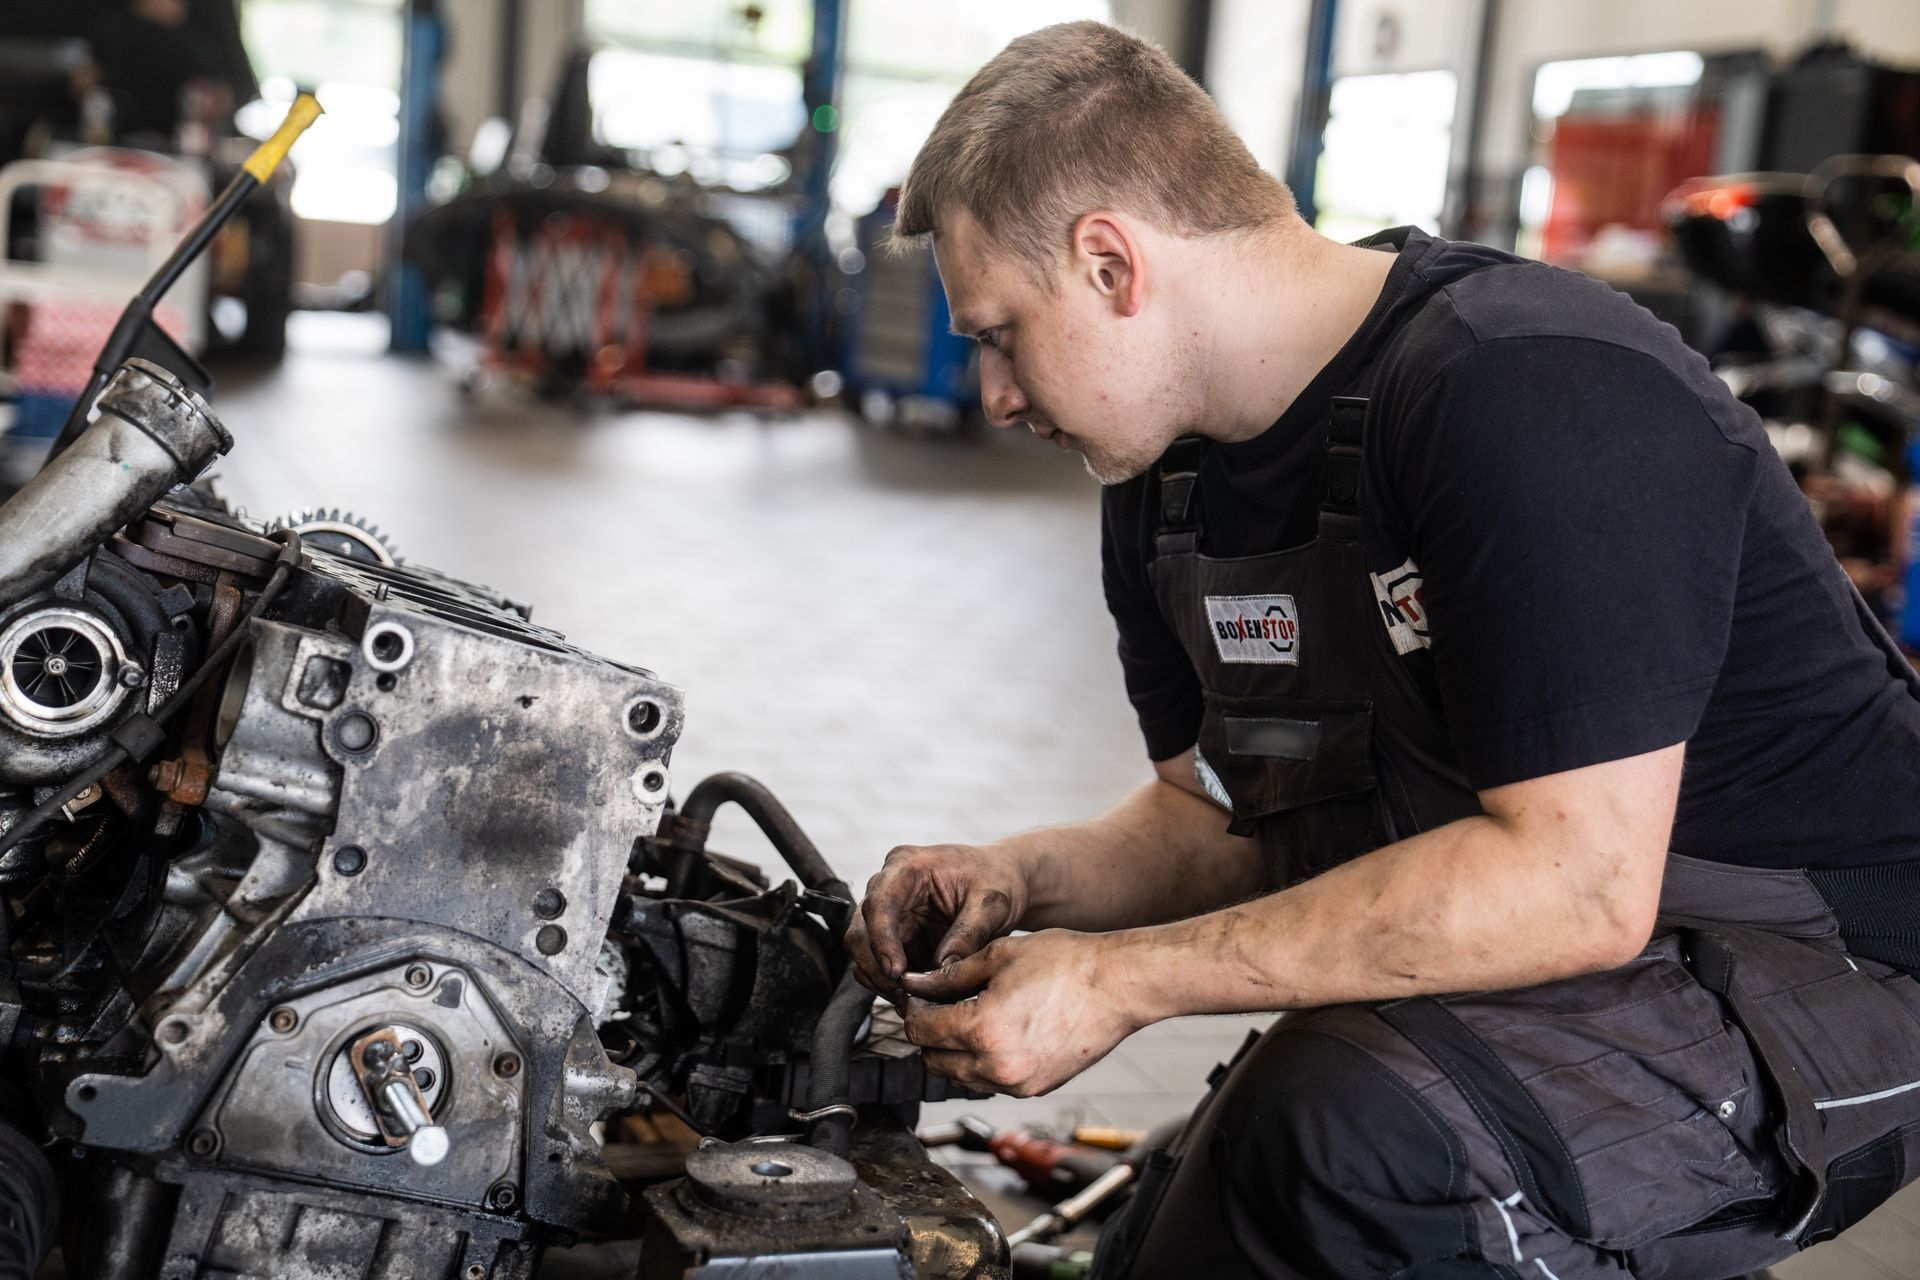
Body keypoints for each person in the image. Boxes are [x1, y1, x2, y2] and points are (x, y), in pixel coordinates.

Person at [844, 20, 1920, 1280]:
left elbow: (1576, 881)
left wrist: (1121, 981)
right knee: (1191, 1213)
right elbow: (1221, 812)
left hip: (1825, 967)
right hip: (1581, 944)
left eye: (995, 334)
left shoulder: (1525, 389)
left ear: (1108, 263)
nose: (998, 397)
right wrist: (1021, 879)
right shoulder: (1166, 479)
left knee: (1352, 1147)